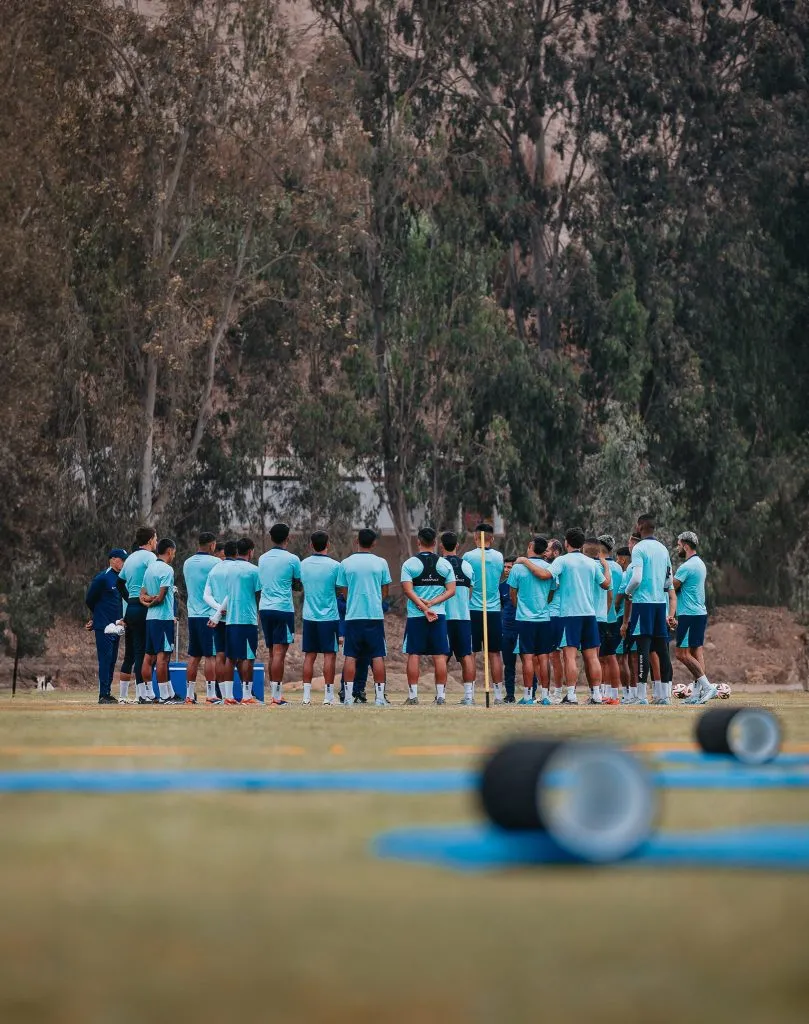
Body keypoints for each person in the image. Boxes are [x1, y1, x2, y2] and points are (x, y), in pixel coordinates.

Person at [551, 527, 611, 705]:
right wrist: (606, 567)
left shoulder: (562, 560)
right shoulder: (591, 563)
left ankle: (571, 695)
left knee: (569, 656)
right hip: (589, 614)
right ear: (582, 544)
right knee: (592, 656)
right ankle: (597, 695)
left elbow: (547, 575)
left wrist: (525, 562)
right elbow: (606, 585)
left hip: (570, 614)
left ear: (566, 542)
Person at [622, 514, 676, 705]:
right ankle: (664, 695)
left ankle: (642, 696)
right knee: (662, 650)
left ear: (640, 526)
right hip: (660, 604)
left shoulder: (639, 548)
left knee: (643, 649)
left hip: (643, 604)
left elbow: (636, 578)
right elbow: (669, 580)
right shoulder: (663, 549)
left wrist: (629, 592)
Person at [400, 527, 456, 705]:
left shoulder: (409, 564)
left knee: (414, 654)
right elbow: (451, 591)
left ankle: (413, 696)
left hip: (417, 616)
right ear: (435, 543)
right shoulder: (445, 564)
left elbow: (408, 590)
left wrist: (424, 606)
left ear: (418, 541)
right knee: (440, 655)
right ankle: (441, 697)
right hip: (438, 615)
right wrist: (432, 604)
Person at [336, 529, 391, 707]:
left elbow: (343, 591)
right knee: (377, 655)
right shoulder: (381, 562)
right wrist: (375, 600)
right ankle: (380, 698)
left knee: (350, 656)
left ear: (356, 541)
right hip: (374, 616)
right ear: (374, 543)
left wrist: (353, 600)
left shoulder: (346, 563)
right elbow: (385, 590)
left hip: (353, 616)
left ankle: (349, 698)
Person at [209, 537, 262, 705]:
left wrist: (218, 614)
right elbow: (258, 594)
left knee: (230, 658)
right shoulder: (255, 570)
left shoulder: (229, 570)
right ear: (251, 551)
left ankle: (228, 696)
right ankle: (247, 696)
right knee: (248, 657)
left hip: (231, 619)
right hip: (247, 619)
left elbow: (228, 595)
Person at [258, 523, 302, 707]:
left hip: (265, 608)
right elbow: (298, 586)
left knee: (271, 653)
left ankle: (274, 695)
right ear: (288, 538)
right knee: (279, 654)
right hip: (283, 609)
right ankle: (277, 697)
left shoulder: (262, 558)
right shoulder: (293, 559)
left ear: (271, 538)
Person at [509, 537, 555, 705]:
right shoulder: (550, 568)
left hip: (524, 618)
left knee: (527, 657)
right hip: (544, 617)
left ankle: (528, 696)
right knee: (544, 657)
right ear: (544, 551)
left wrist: (519, 605)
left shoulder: (518, 568)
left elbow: (512, 592)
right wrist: (543, 604)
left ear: (530, 547)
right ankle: (545, 696)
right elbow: (551, 593)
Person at [674, 531, 717, 705]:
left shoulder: (686, 567)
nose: (677, 548)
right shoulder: (700, 563)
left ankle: (707, 687)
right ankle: (697, 693)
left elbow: (671, 587)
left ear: (685, 545)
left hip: (689, 615)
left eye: (678, 545)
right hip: (699, 613)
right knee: (695, 652)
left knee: (681, 654)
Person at [465, 523, 505, 704]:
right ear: (492, 538)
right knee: (495, 653)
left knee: (472, 653)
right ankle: (497, 696)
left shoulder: (468, 557)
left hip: (474, 610)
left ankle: (469, 696)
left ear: (475, 538)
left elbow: (468, 585)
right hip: (493, 611)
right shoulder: (499, 557)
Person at [300, 531, 341, 706]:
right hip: (329, 617)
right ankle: (328, 696)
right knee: (329, 656)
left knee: (309, 656)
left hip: (309, 616)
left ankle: (306, 697)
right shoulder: (335, 566)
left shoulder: (303, 564)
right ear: (328, 545)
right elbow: (339, 589)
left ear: (311, 545)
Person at [117, 527, 157, 703]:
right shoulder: (150, 557)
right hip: (144, 608)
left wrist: (131, 599)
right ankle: (142, 694)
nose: (156, 541)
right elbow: (155, 578)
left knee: (131, 653)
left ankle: (131, 694)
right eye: (155, 538)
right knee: (144, 652)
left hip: (131, 608)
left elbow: (119, 583)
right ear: (149, 540)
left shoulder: (131, 557)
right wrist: (148, 599)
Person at [85, 548, 127, 705]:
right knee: (105, 659)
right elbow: (90, 599)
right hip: (104, 626)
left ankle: (108, 693)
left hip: (117, 627)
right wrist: (97, 618)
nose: (124, 563)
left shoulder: (122, 578)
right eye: (122, 560)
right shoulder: (103, 578)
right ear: (114, 559)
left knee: (112, 660)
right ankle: (103, 694)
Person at [182, 531, 220, 705]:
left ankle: (189, 695)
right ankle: (211, 694)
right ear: (212, 545)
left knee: (194, 656)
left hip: (193, 615)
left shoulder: (187, 563)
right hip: (209, 615)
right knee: (210, 656)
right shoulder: (216, 562)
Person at [140, 538, 179, 704]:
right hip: (163, 619)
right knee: (163, 658)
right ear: (170, 551)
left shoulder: (149, 569)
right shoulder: (167, 570)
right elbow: (162, 598)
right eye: (174, 553)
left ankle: (147, 693)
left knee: (148, 657)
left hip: (150, 619)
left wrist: (147, 602)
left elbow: (141, 595)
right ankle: (165, 696)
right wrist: (154, 600)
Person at [439, 531, 476, 706]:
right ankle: (469, 696)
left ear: (441, 546)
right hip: (463, 617)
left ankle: (441, 696)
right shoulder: (467, 566)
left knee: (441, 657)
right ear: (457, 546)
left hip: (443, 618)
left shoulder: (438, 565)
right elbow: (470, 591)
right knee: (465, 656)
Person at [204, 540, 237, 704]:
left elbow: (206, 595)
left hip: (217, 618)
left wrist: (217, 610)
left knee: (219, 655)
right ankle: (231, 696)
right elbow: (232, 592)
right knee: (233, 657)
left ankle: (223, 695)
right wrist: (221, 611)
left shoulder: (214, 569)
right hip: (233, 617)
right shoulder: (236, 569)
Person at [596, 534, 623, 705]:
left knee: (602, 657)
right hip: (614, 617)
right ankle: (610, 693)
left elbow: (608, 592)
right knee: (609, 656)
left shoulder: (601, 566)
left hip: (603, 616)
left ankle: (605, 694)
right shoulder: (619, 568)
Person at [545, 539, 566, 702]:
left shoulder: (556, 566)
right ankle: (553, 692)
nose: (545, 553)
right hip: (555, 614)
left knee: (554, 656)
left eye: (548, 550)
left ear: (556, 552)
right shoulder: (555, 565)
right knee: (553, 655)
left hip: (555, 614)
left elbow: (553, 588)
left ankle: (558, 693)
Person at [613, 545, 633, 698]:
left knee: (621, 658)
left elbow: (621, 596)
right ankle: (632, 692)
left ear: (623, 558)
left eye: (618, 558)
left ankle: (627, 693)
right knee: (631, 657)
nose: (617, 560)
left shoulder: (626, 574)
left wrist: (613, 607)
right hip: (632, 618)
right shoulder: (631, 573)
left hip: (622, 617)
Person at [499, 555, 519, 703]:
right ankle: (510, 695)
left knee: (529, 661)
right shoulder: (501, 587)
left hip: (522, 628)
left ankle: (530, 694)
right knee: (508, 664)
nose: (506, 570)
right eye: (505, 567)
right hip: (506, 630)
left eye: (509, 567)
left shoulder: (523, 584)